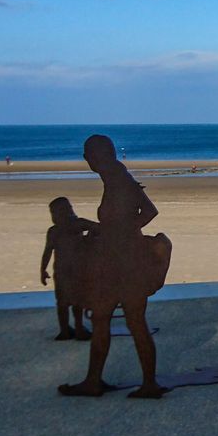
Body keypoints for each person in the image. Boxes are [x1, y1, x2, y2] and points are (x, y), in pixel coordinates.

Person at [58, 134, 170, 399]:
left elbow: (148, 212)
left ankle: (96, 382)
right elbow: (142, 213)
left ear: (99, 156)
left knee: (103, 319)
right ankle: (143, 383)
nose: (86, 159)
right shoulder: (118, 177)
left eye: (89, 154)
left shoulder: (117, 179)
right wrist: (113, 231)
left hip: (118, 265)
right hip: (127, 259)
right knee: (130, 321)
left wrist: (114, 233)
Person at [40, 197, 97, 341]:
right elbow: (100, 228)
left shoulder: (54, 231)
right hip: (75, 270)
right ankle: (78, 329)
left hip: (61, 271)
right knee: (76, 301)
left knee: (62, 302)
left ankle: (65, 330)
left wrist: (43, 270)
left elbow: (47, 252)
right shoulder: (77, 224)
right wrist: (89, 239)